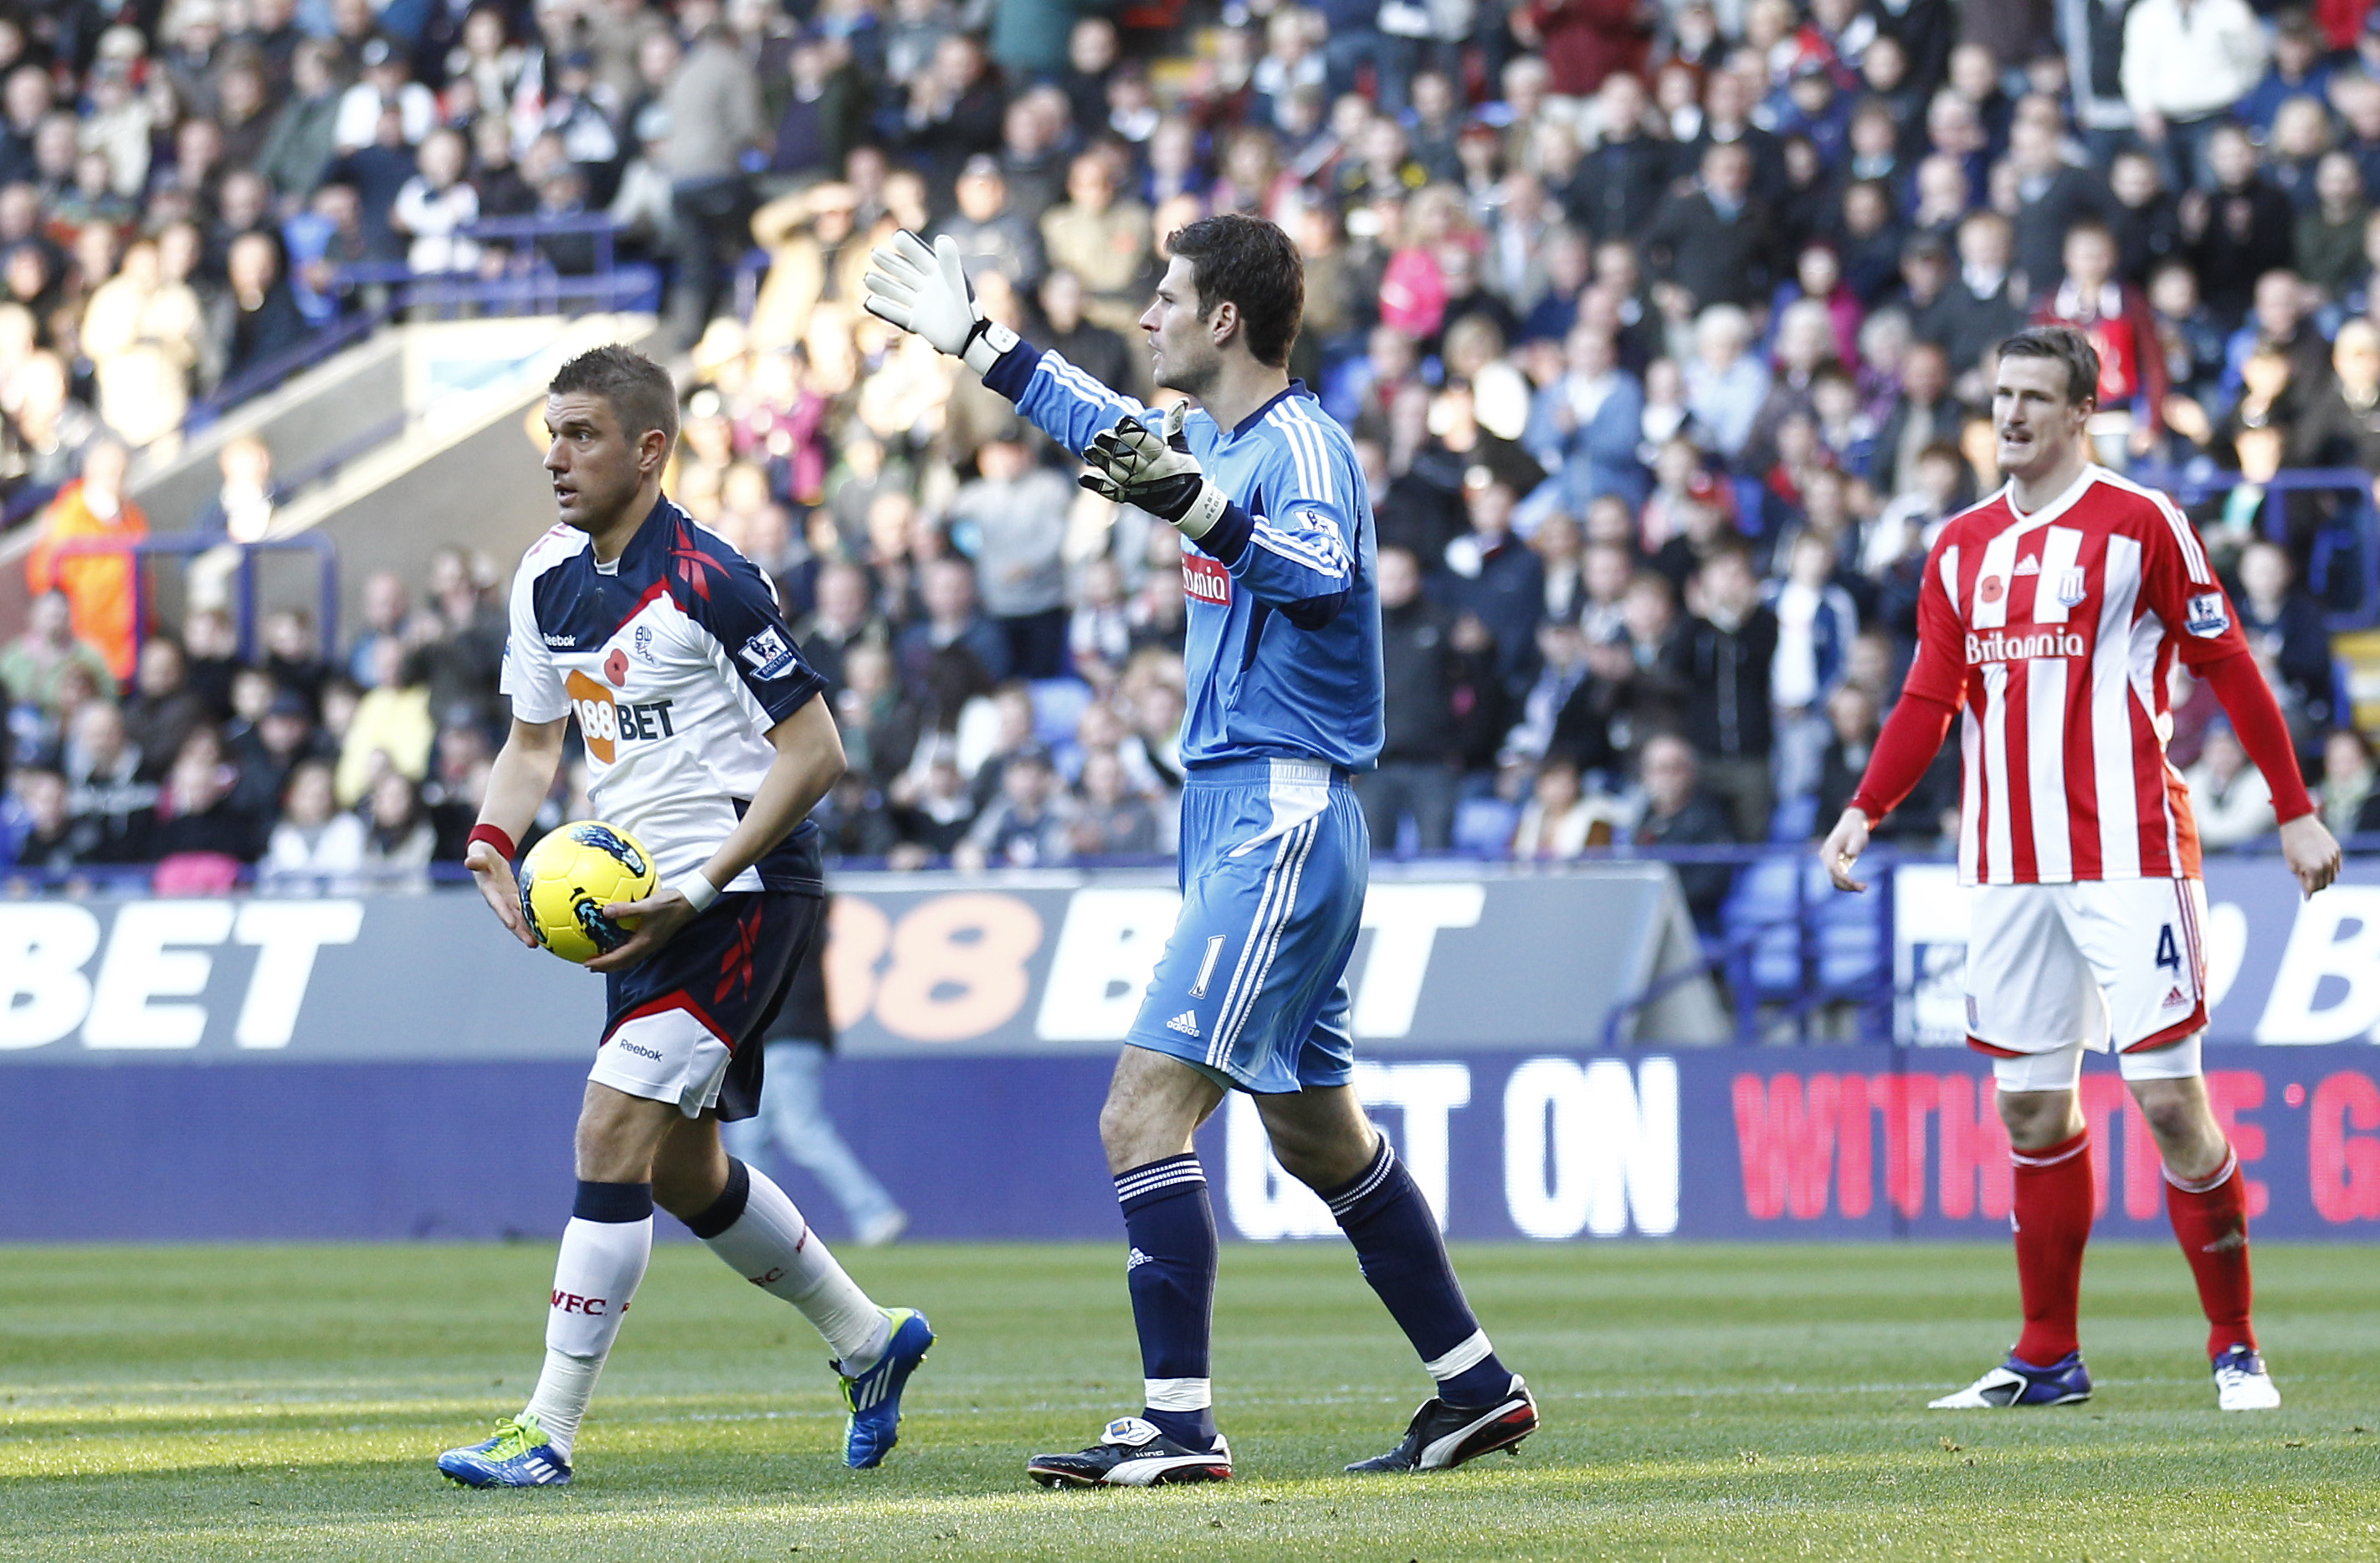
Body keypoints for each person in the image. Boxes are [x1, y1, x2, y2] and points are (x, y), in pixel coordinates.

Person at [866, 212, 1536, 1485]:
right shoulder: (1213, 439)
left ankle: (1178, 1424)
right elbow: (1103, 422)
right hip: (1237, 812)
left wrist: (1196, 505)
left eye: (1167, 297)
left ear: (1225, 318)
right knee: (1317, 1138)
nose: (1149, 315)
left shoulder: (1303, 446)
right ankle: (1476, 1387)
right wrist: (980, 343)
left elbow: (1319, 572)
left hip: (1281, 809)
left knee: (1140, 1111)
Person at [1822, 325, 2340, 1414]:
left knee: (2169, 1100)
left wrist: (2295, 810)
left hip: (2130, 853)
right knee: (2029, 1112)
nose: (2010, 413)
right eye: (2000, 393)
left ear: (2079, 413)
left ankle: (2236, 1346)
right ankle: (2047, 1356)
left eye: (2033, 396)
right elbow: (1928, 697)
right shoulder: (1958, 544)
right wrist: (1867, 806)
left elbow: (2228, 663)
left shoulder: (2141, 521)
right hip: (2008, 865)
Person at [437, 346, 930, 1489]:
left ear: (650, 448)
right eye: (552, 434)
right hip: (638, 900)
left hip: (737, 891)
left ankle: (545, 1430)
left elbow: (816, 754)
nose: (558, 457)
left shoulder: (713, 578)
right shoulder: (545, 576)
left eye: (583, 434)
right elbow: (533, 742)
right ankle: (869, 1340)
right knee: (681, 1172)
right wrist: (492, 837)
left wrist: (700, 888)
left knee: (608, 1131)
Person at [721, 898, 910, 1248]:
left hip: (786, 1035)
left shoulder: (785, 911)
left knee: (801, 1131)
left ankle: (874, 1211)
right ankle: (755, 1227)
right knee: (750, 1136)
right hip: (768, 1038)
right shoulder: (788, 907)